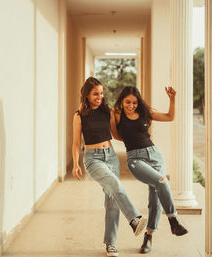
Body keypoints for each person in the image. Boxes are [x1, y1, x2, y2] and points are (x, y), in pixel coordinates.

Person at [72, 77, 147, 257]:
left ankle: (111, 244)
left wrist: (136, 138)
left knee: (112, 200)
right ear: (87, 95)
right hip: (93, 159)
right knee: (115, 185)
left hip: (111, 157)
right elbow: (75, 144)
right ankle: (135, 219)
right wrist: (75, 163)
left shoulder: (108, 111)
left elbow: (116, 135)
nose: (100, 96)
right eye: (95, 94)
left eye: (101, 93)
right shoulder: (79, 115)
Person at [113, 86, 188, 254]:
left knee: (155, 197)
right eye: (127, 102)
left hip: (154, 155)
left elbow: (170, 117)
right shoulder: (116, 114)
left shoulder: (146, 112)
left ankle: (148, 237)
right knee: (162, 181)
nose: (131, 105)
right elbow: (116, 135)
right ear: (121, 101)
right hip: (135, 158)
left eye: (134, 102)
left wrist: (172, 99)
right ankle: (173, 220)